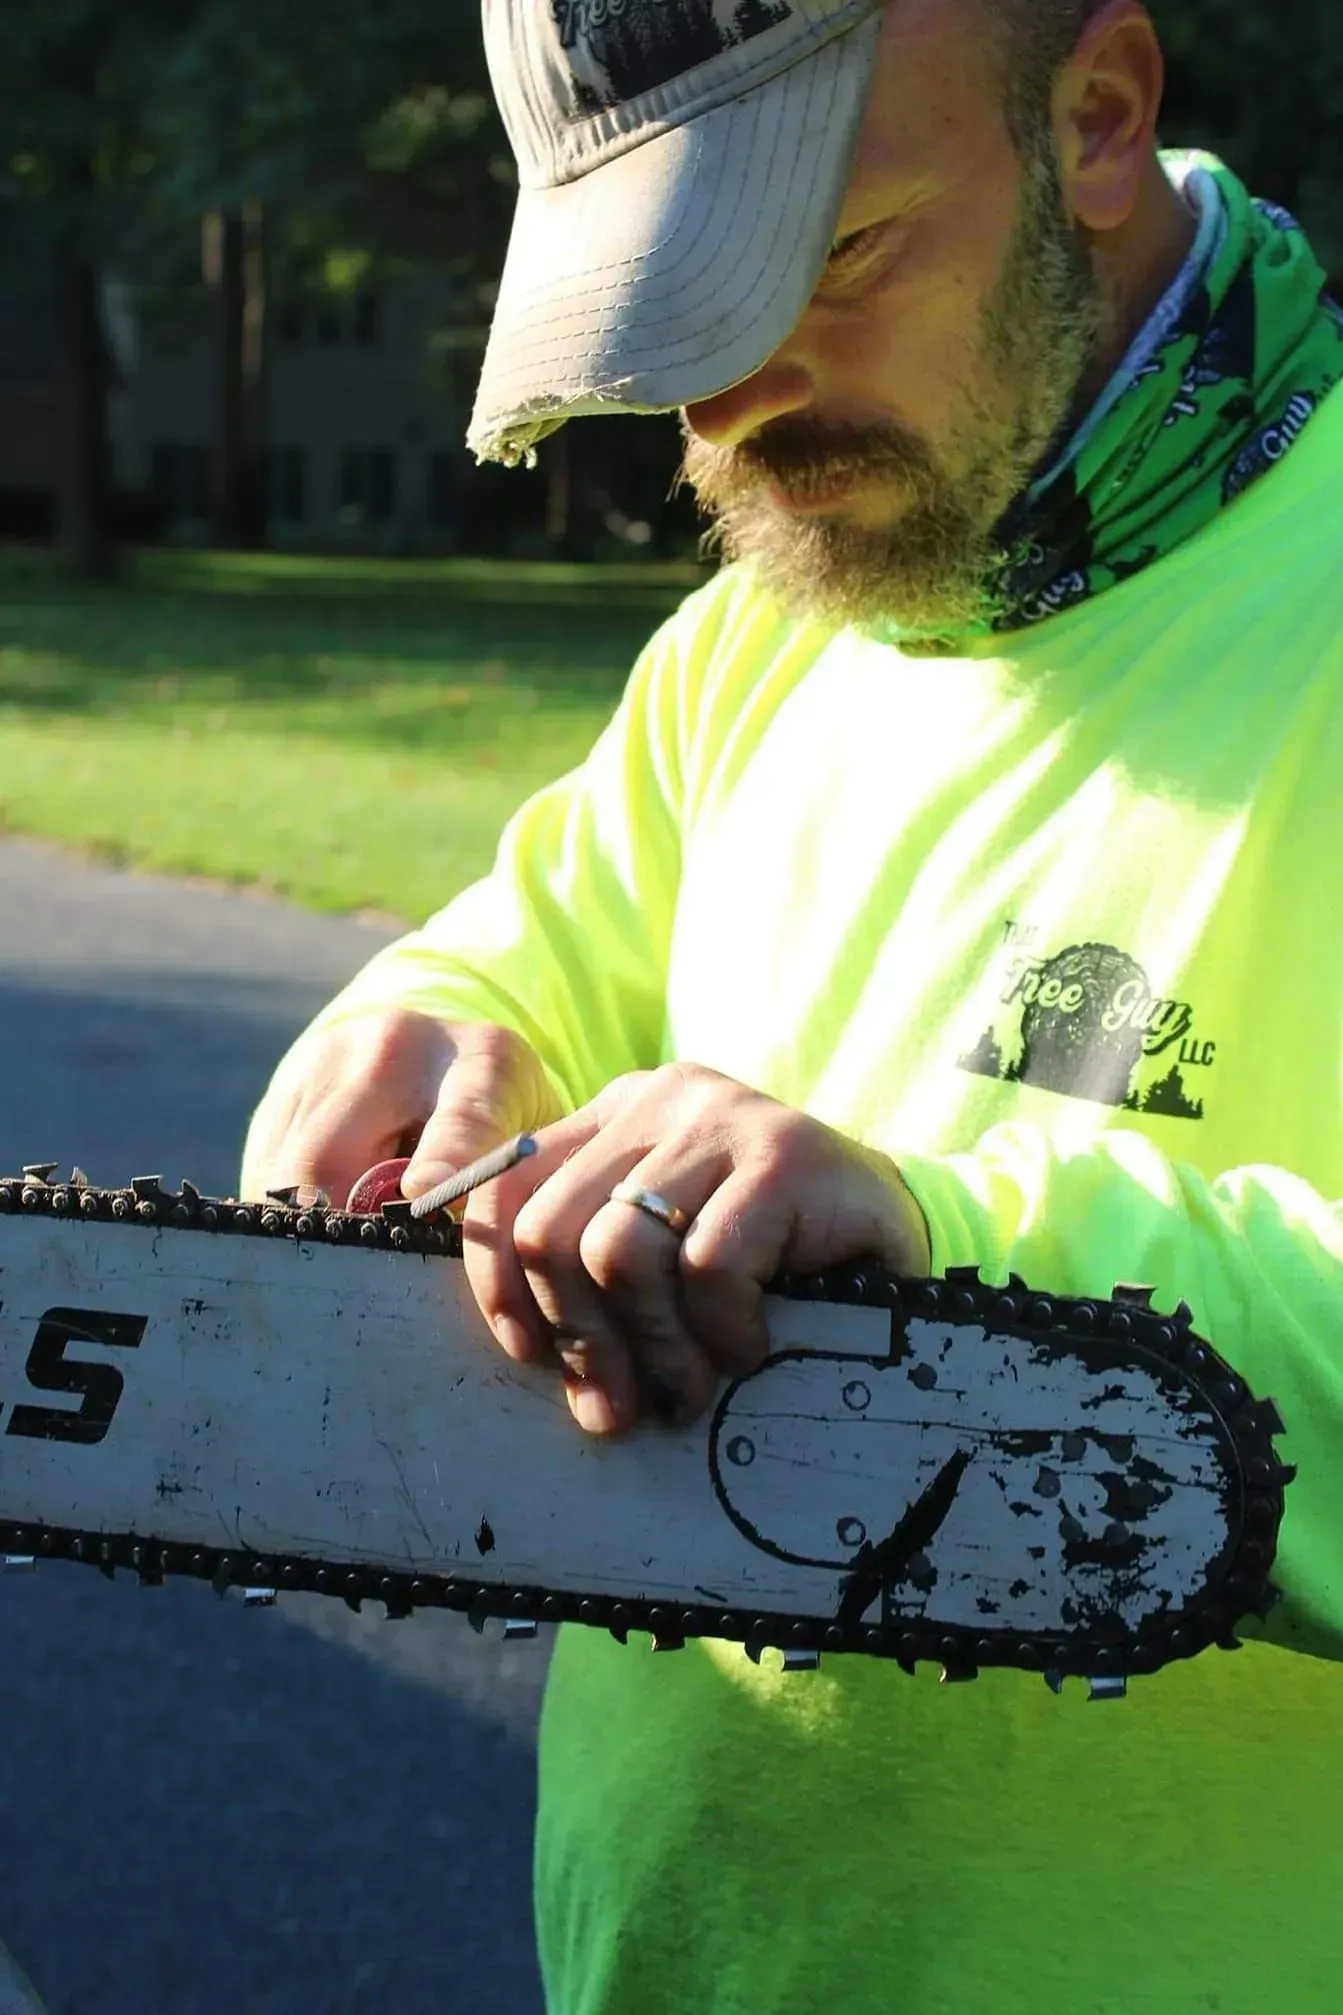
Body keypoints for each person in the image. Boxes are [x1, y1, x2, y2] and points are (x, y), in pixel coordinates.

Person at [244, 1, 1343, 2008]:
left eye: (823, 257)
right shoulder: (759, 639)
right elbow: (527, 945)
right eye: (660, 308)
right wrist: (428, 1017)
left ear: (1091, 118)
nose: (731, 392)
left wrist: (955, 1243)